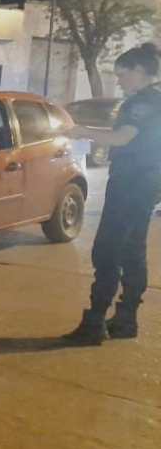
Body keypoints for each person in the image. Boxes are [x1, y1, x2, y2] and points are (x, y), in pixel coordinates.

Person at [63, 43, 161, 345]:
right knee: (132, 250)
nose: (119, 81)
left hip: (130, 185)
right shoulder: (155, 99)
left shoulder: (141, 103)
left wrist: (83, 132)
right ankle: (126, 319)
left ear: (139, 71)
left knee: (107, 251)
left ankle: (94, 322)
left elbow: (121, 137)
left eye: (122, 74)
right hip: (146, 184)